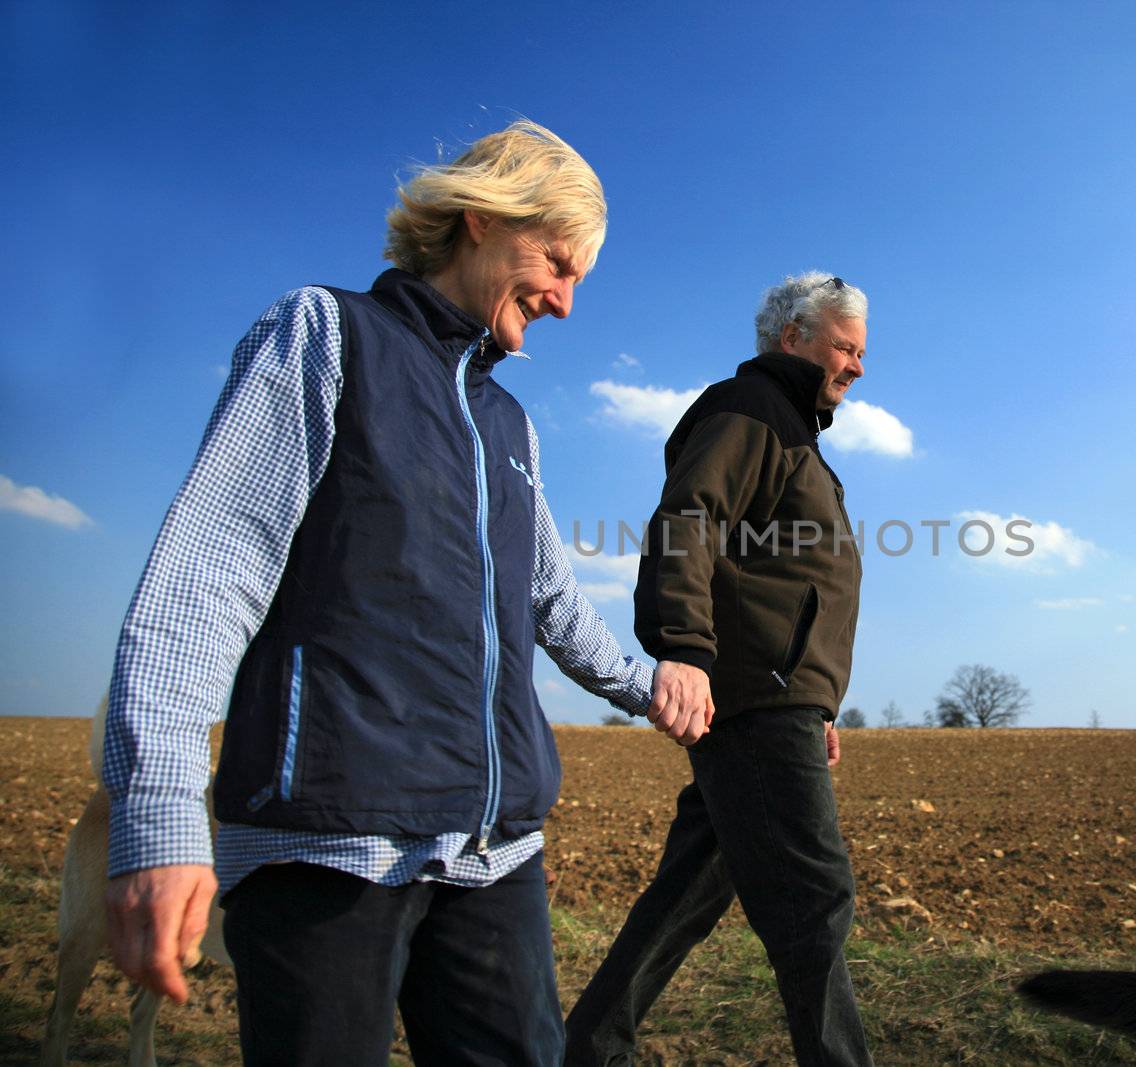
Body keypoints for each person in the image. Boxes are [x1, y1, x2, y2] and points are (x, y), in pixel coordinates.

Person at [101, 121, 701, 1066]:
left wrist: (648, 683)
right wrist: (162, 811)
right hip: (328, 848)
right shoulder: (325, 334)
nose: (566, 301)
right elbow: (211, 567)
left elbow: (550, 601)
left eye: (579, 276)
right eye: (557, 261)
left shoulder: (509, 420)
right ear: (480, 219)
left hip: (492, 855)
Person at [565, 272, 873, 1066]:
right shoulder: (750, 410)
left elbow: (791, 582)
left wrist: (820, 700)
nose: (859, 366)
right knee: (814, 897)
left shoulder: (793, 429)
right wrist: (685, 649)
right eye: (845, 346)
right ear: (793, 338)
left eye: (861, 351)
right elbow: (688, 519)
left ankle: (588, 1048)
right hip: (752, 694)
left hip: (778, 695)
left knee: (693, 887)